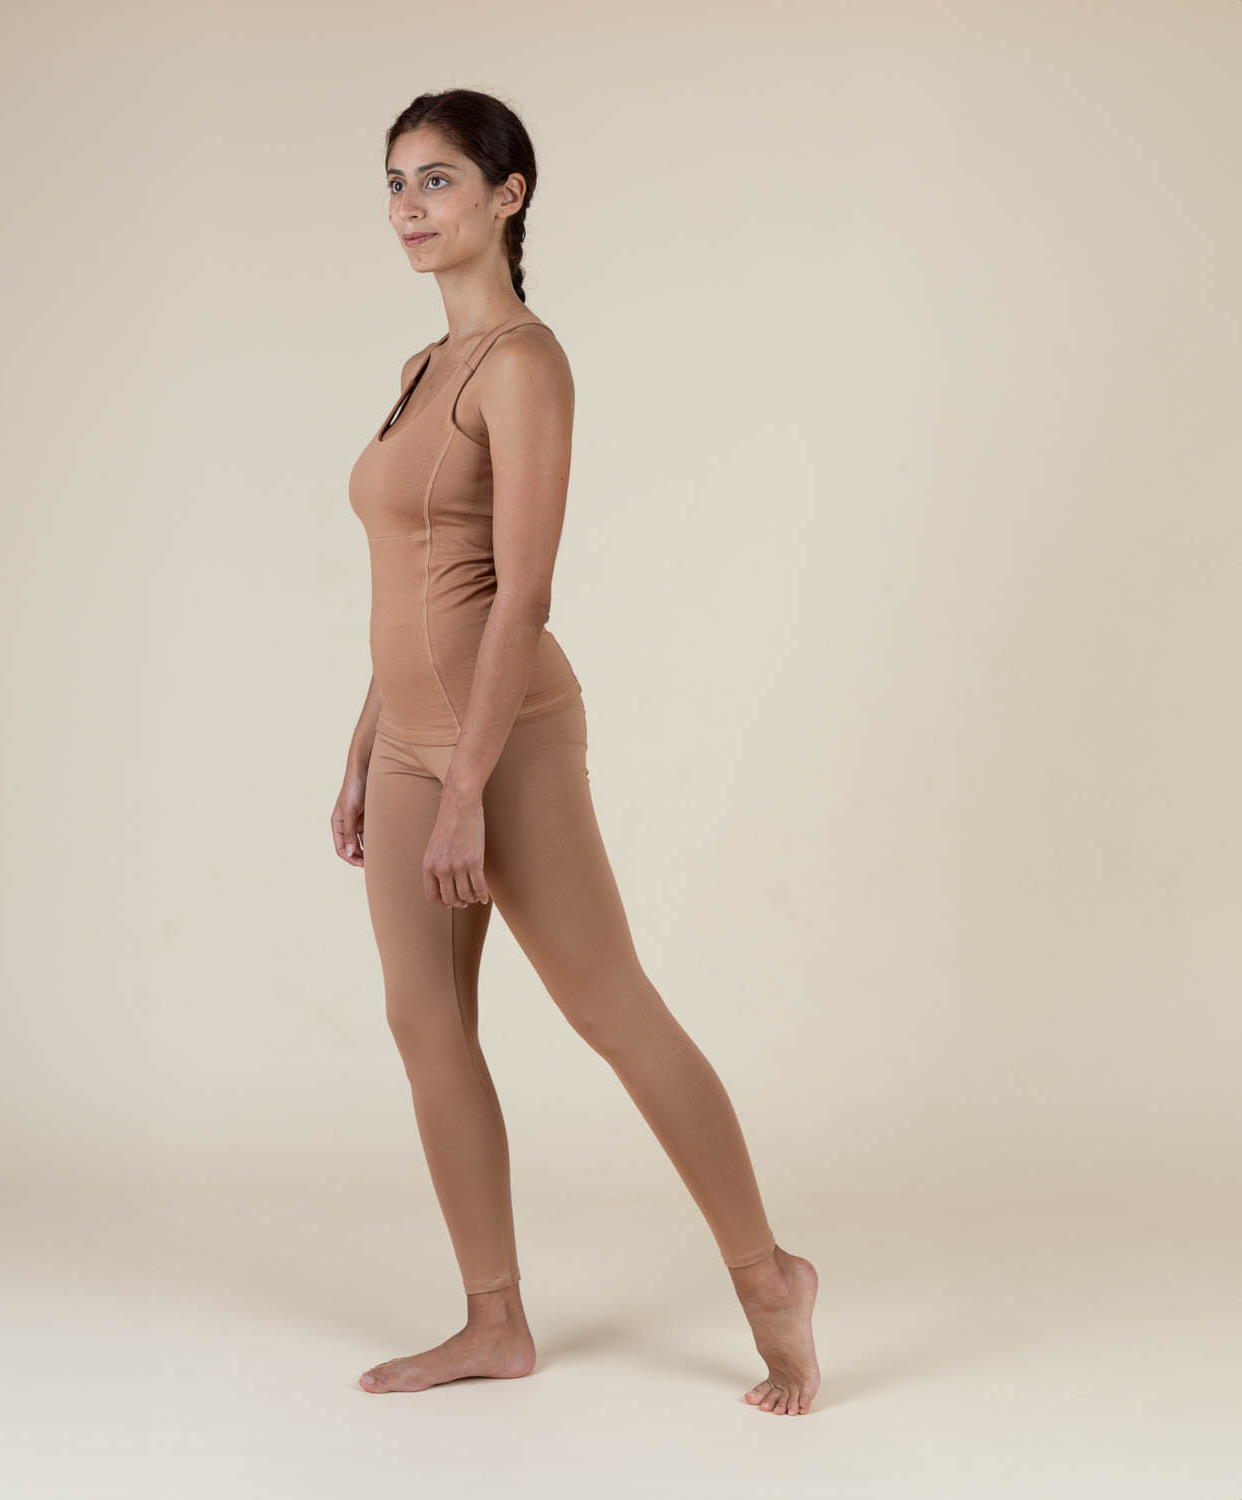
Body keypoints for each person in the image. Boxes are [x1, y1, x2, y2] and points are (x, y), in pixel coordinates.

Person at [330, 88, 821, 1415]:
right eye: (395, 183)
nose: (410, 206)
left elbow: (520, 593)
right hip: (411, 744)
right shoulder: (421, 368)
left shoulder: (524, 364)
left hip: (507, 741)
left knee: (611, 1008)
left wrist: (469, 787)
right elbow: (411, 582)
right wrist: (367, 745)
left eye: (438, 179)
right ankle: (493, 1322)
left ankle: (769, 1275)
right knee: (425, 1024)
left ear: (510, 195)